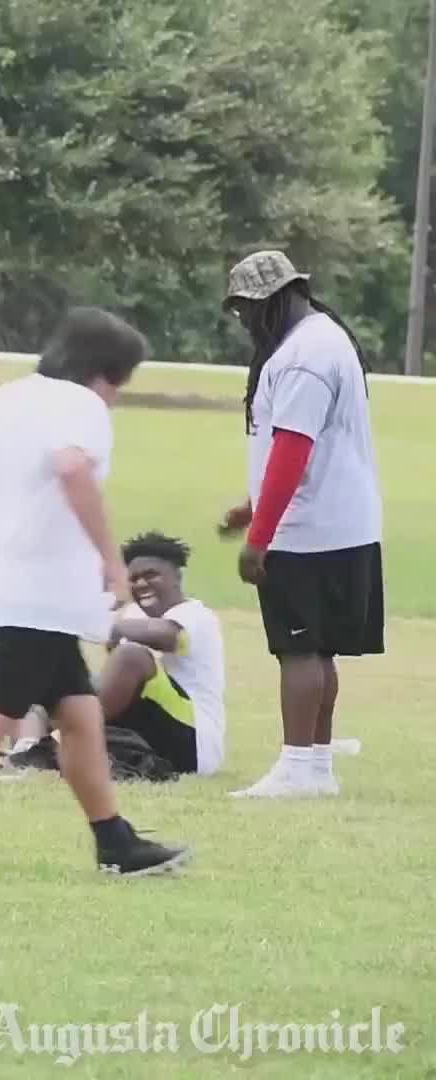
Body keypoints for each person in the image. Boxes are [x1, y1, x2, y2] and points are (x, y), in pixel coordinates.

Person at [0, 307, 186, 876]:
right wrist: (112, 560)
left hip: (16, 585)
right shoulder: (81, 406)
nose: (117, 397)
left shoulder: (14, 395)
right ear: (104, 374)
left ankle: (115, 841)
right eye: (120, 384)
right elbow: (71, 467)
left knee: (81, 715)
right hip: (39, 592)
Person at [219, 251, 383, 799]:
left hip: (308, 529)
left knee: (298, 649)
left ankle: (295, 766)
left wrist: (258, 538)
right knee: (320, 648)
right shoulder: (326, 339)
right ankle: (315, 766)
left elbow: (293, 448)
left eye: (248, 309)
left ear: (278, 298)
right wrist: (253, 502)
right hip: (342, 523)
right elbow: (306, 447)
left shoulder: (301, 357)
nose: (244, 321)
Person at [100, 532, 227, 776]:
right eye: (134, 579)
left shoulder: (195, 614)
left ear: (176, 578)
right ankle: (30, 745)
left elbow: (166, 637)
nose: (141, 584)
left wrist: (115, 627)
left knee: (131, 657)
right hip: (151, 728)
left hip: (195, 743)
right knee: (64, 682)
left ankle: (68, 739)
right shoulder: (132, 615)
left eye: (151, 575)